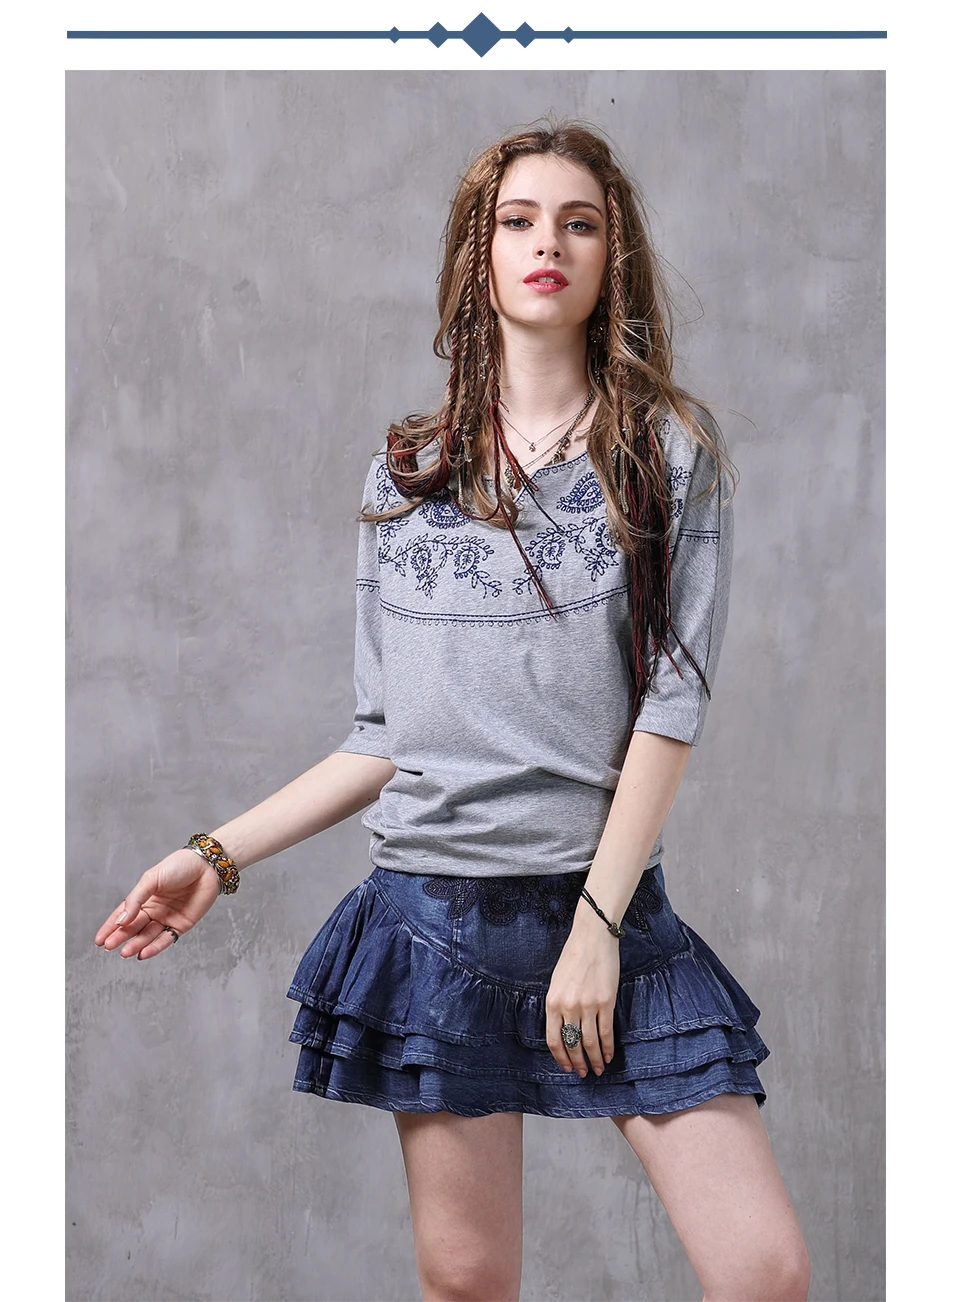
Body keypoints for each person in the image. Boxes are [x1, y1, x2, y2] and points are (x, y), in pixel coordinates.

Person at [95, 120, 810, 1302]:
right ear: (479, 256)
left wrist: (597, 926)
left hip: (606, 912)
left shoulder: (668, 456)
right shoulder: (408, 471)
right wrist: (213, 855)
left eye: (579, 223)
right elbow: (384, 735)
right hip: (435, 925)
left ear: (613, 257)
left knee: (762, 1270)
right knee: (469, 1282)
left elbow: (671, 705)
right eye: (518, 221)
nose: (548, 244)